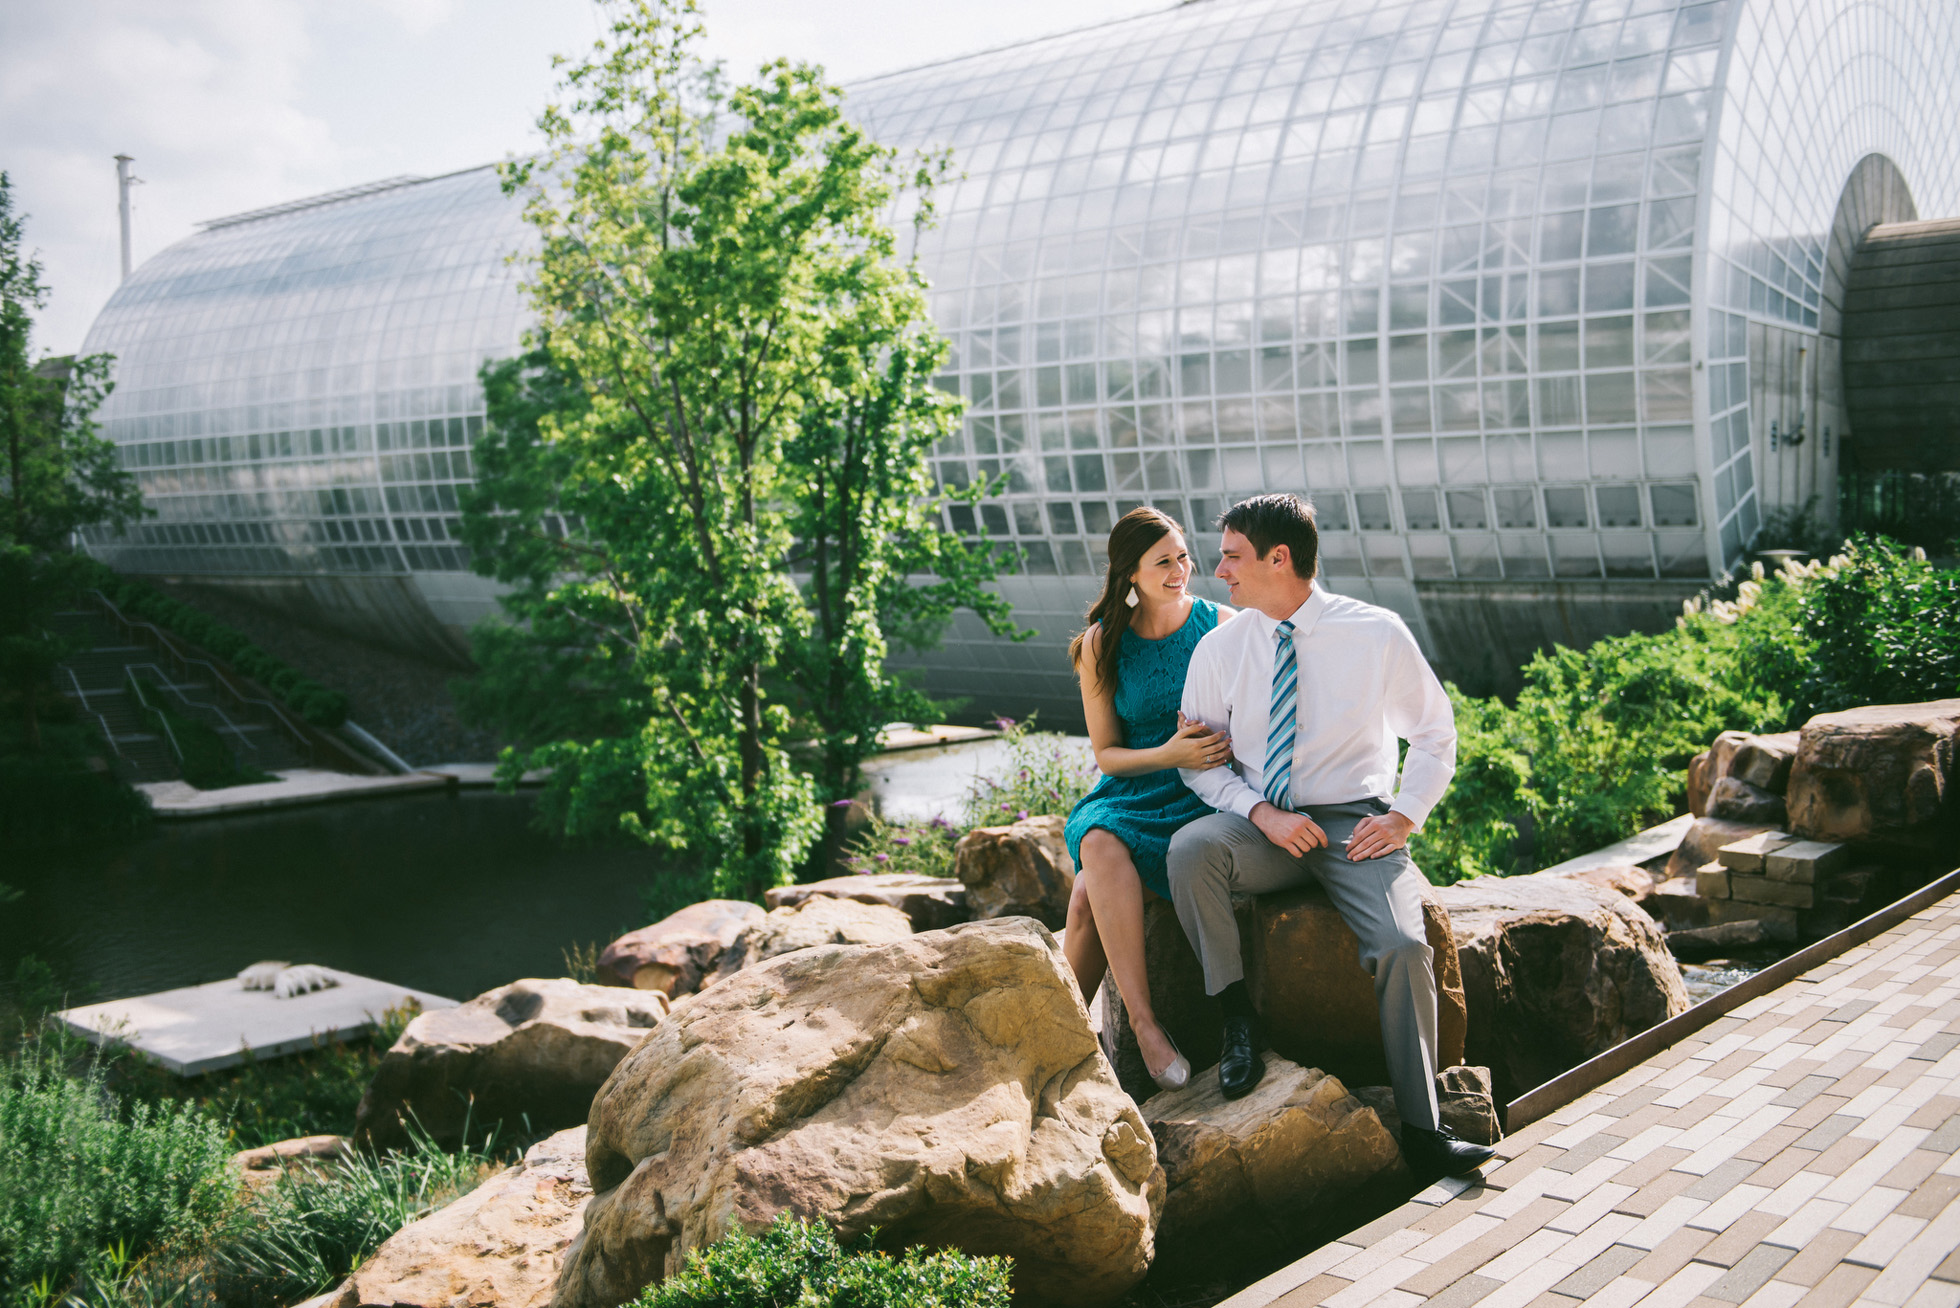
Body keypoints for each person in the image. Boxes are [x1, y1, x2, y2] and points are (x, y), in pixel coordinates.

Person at [1167, 493, 1495, 1177]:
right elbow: (1197, 761)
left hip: (1355, 825)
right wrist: (1261, 814)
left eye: (1232, 555)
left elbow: (1435, 733)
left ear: (1277, 558)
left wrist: (1405, 816)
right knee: (1192, 850)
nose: (1219, 570)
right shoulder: (1221, 647)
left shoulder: (1374, 633)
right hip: (1264, 823)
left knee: (1404, 946)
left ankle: (1424, 1128)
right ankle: (1238, 1022)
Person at [1062, 507, 1237, 1092]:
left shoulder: (1221, 626)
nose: (1181, 570)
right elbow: (1108, 755)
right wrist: (1171, 753)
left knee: (1086, 896)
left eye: (1183, 556)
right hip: (1134, 788)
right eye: (1163, 561)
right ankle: (1143, 1026)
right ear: (1129, 574)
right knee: (1100, 842)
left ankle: (1056, 1046)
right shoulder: (1100, 645)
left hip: (1207, 793)